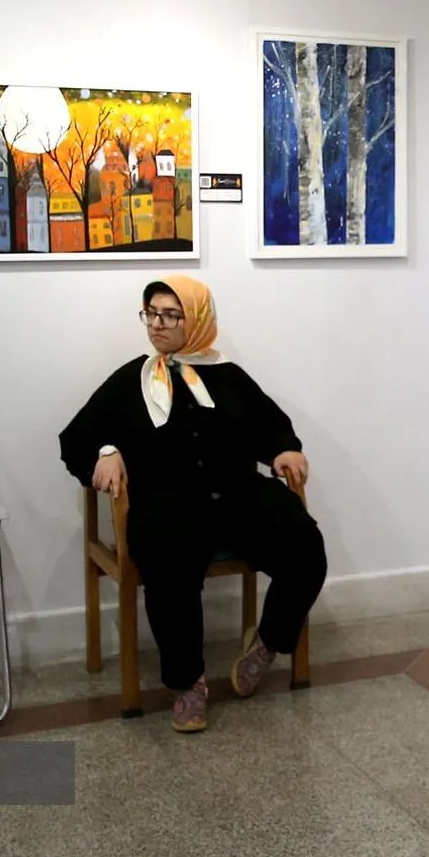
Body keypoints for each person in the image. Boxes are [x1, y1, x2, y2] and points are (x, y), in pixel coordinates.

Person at [59, 275, 326, 733]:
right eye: (151, 314)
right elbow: (77, 437)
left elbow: (271, 426)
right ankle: (188, 683)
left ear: (198, 319)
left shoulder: (229, 376)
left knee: (305, 545)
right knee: (168, 557)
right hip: (167, 502)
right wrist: (105, 453)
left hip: (237, 496)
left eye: (170, 315)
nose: (157, 325)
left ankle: (266, 643)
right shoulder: (132, 380)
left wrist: (285, 449)